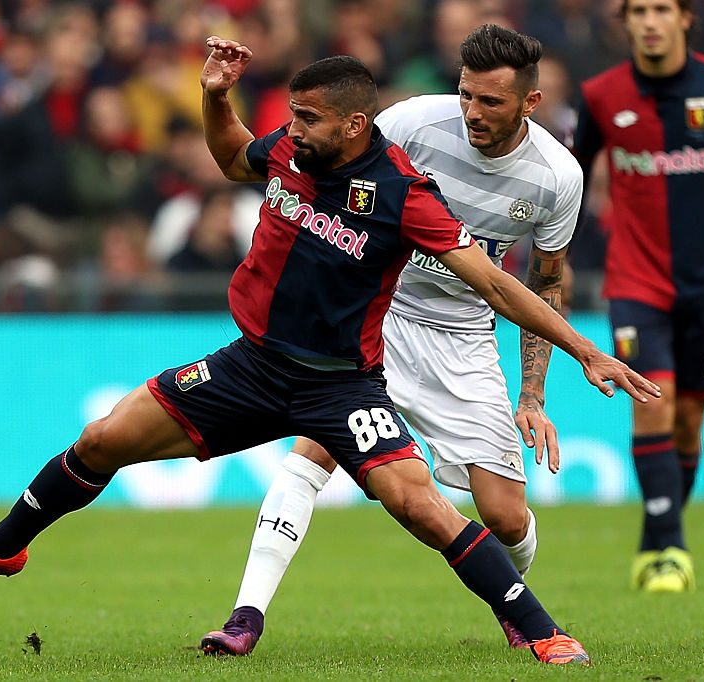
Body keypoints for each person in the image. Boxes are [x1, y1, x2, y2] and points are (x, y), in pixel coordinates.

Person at [0, 37, 661, 666]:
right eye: (291, 117)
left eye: (307, 118)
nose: (292, 130)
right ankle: (1, 548)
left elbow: (499, 286)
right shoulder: (293, 152)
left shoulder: (404, 194)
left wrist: (582, 350)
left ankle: (541, 629)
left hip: (345, 388)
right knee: (102, 439)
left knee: (423, 508)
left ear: (357, 124)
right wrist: (213, 98)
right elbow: (235, 158)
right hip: (251, 365)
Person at [199, 24, 583, 657]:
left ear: (529, 104)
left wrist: (532, 395)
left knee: (506, 517)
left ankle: (514, 604)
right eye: (465, 95)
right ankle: (245, 617)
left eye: (490, 102)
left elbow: (544, 286)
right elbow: (327, 177)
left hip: (463, 336)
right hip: (376, 315)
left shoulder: (556, 178)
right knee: (312, 453)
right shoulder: (413, 122)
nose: (472, 112)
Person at [572, 0, 704, 593]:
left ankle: (659, 538)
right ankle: (670, 547)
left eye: (661, 9)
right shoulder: (601, 94)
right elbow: (572, 175)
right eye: (639, 10)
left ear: (684, 19)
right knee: (653, 400)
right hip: (635, 281)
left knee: (690, 421)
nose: (650, 21)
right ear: (626, 22)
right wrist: (556, 260)